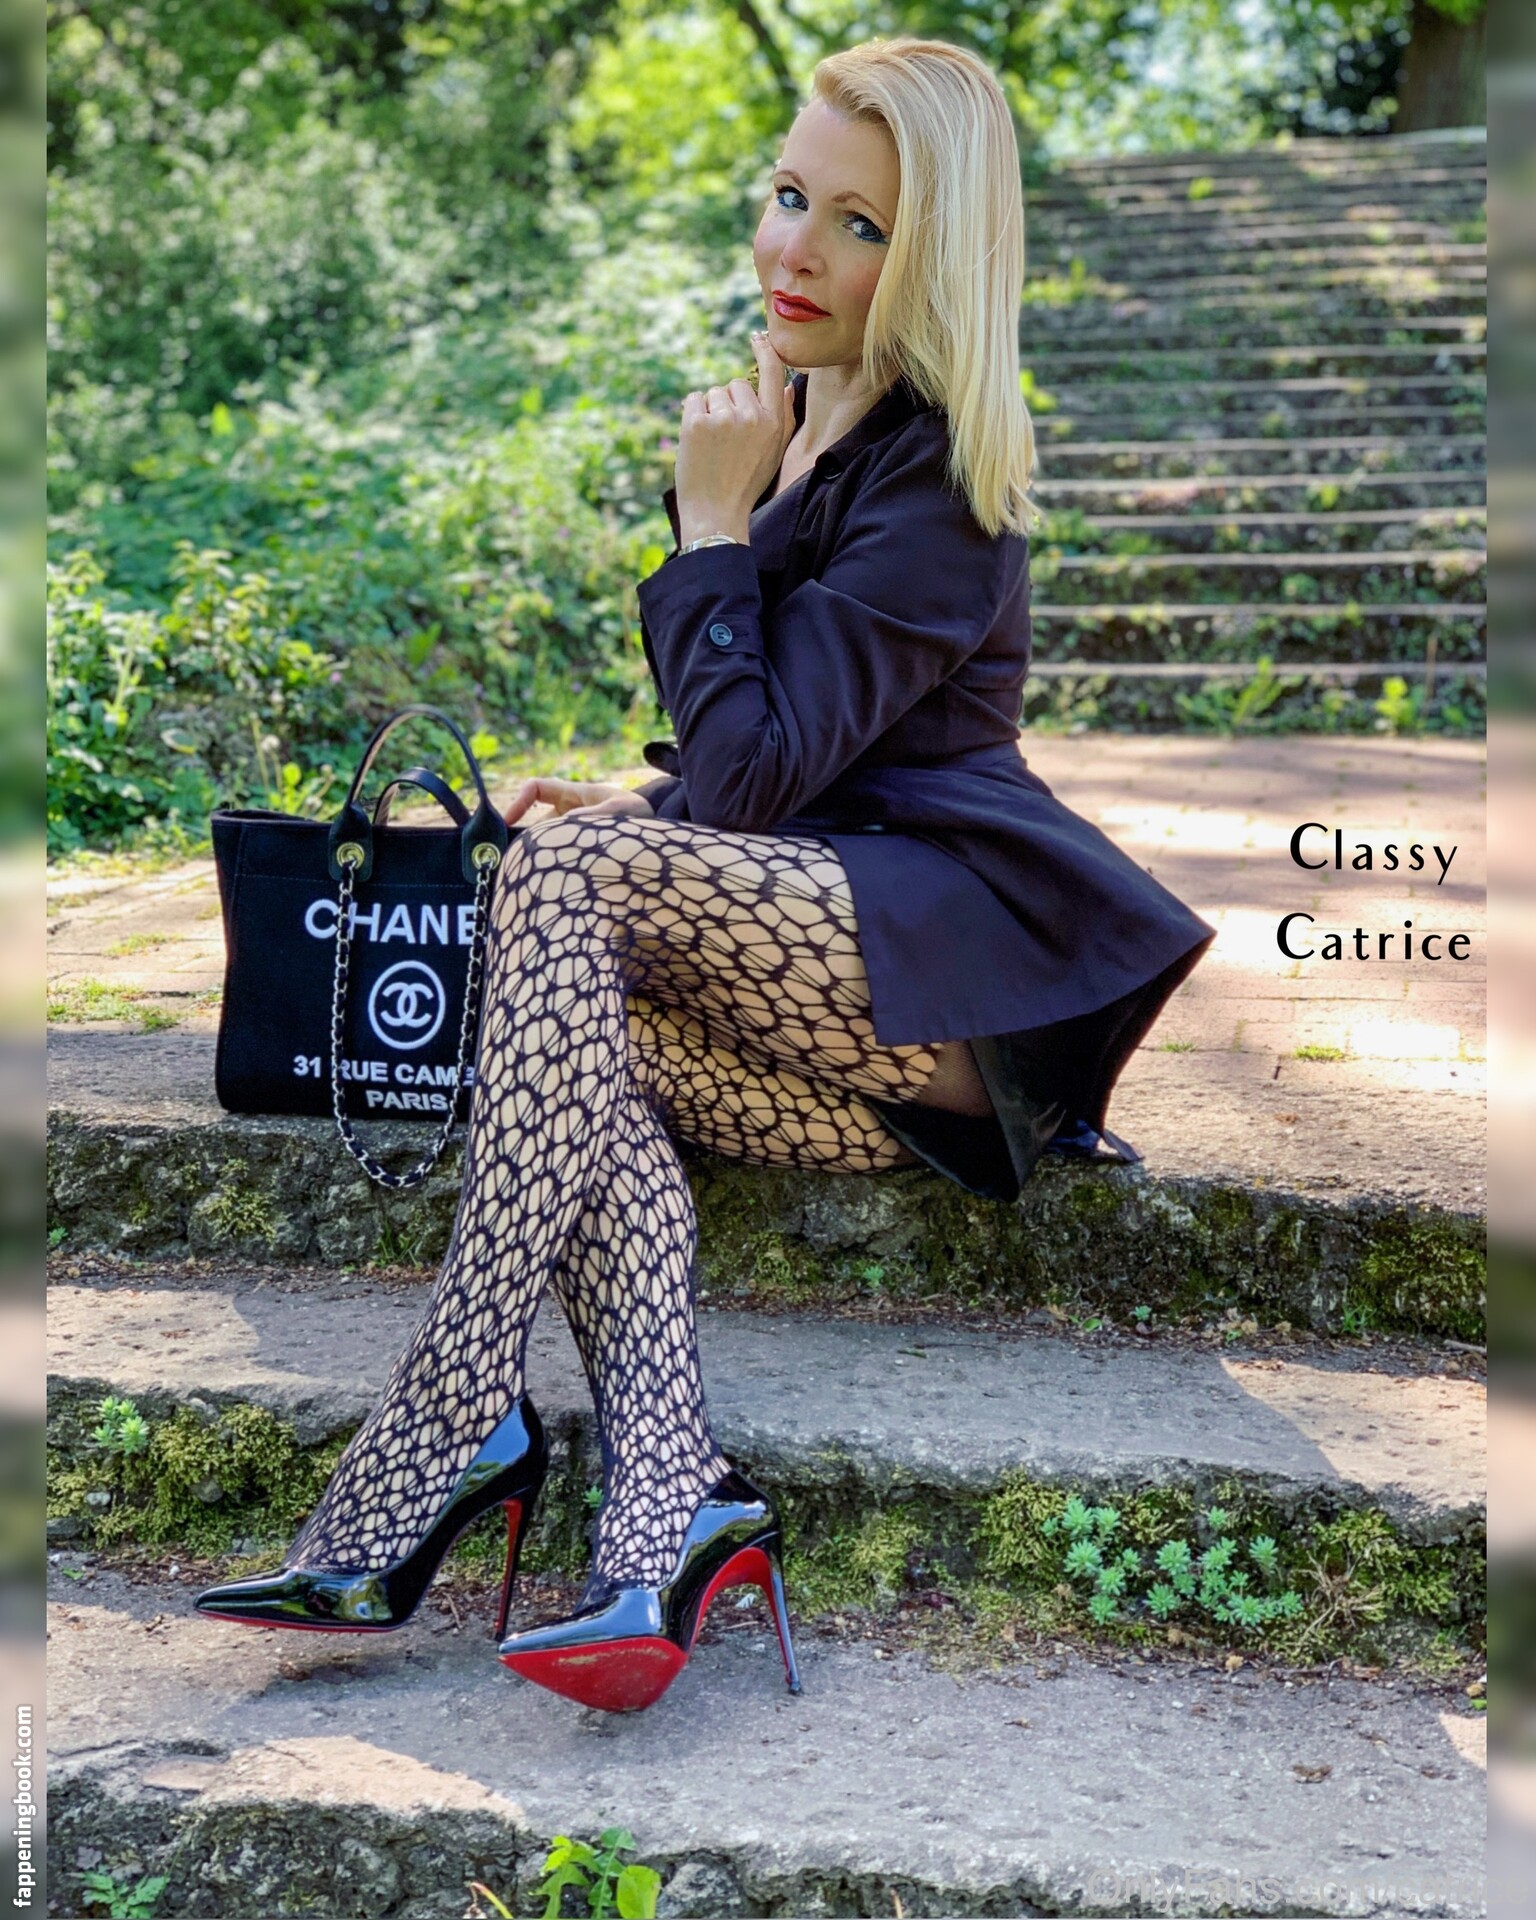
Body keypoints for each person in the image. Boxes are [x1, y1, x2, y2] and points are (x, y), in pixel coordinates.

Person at [195, 35, 1214, 1714]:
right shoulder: (795, 429)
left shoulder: (945, 476)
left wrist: (710, 526)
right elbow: (771, 760)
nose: (796, 249)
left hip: (946, 983)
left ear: (934, 257)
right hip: (815, 1000)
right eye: (790, 195)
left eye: (861, 225)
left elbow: (760, 783)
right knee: (566, 993)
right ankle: (671, 1491)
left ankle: (446, 1426)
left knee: (568, 880)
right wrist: (644, 794)